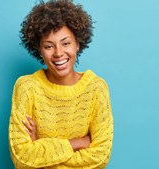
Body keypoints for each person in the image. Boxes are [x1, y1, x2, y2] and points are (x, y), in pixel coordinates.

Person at [8, 0, 113, 168]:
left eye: (66, 43)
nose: (58, 53)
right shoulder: (27, 87)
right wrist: (76, 143)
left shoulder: (96, 88)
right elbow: (22, 158)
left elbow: (100, 158)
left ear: (78, 44)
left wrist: (41, 148)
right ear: (39, 49)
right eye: (49, 46)